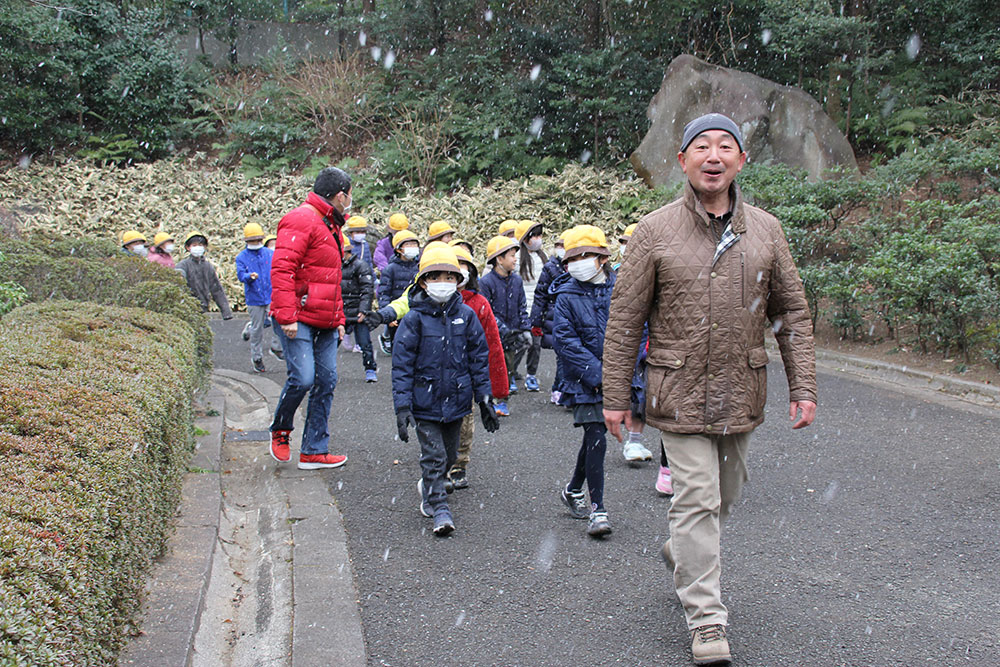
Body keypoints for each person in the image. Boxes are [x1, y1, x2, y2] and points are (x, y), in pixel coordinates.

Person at [601, 113, 817, 665]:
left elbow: (790, 310)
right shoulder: (654, 231)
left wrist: (803, 384)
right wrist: (615, 397)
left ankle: (682, 551)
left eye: (726, 146)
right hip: (675, 389)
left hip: (741, 388)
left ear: (742, 160)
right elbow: (626, 318)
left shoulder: (766, 230)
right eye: (701, 146)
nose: (713, 155)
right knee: (695, 497)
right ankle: (707, 620)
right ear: (683, 161)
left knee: (722, 497)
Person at [391, 244, 498, 536]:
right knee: (435, 456)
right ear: (424, 281)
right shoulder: (413, 320)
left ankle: (429, 484)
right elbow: (402, 365)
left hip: (458, 402)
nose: (444, 282)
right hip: (424, 403)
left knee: (450, 457)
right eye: (436, 276)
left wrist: (485, 397)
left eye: (450, 277)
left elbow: (478, 358)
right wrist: (402, 407)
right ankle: (440, 507)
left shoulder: (467, 315)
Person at [268, 166, 353, 471]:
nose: (350, 201)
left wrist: (340, 317)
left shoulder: (331, 224)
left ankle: (314, 450)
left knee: (326, 380)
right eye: (349, 195)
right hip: (299, 317)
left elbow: (332, 279)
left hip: (326, 320)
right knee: (303, 377)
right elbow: (281, 271)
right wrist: (287, 316)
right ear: (341, 194)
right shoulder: (301, 218)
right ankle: (281, 428)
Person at [552, 225, 615, 538]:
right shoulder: (565, 296)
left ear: (602, 257)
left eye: (586, 255)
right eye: (573, 257)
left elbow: (634, 327)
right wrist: (597, 374)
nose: (579, 262)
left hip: (615, 376)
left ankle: (573, 489)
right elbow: (565, 340)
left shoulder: (621, 288)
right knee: (597, 438)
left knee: (594, 438)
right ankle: (598, 508)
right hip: (583, 381)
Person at [478, 235, 528, 417]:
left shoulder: (517, 281)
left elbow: (522, 306)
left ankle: (503, 401)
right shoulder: (486, 282)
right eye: (511, 255)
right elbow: (487, 310)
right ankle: (487, 399)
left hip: (512, 333)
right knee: (490, 366)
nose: (515, 259)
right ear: (499, 259)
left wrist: (526, 328)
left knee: (507, 366)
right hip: (493, 334)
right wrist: (503, 330)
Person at [236, 222, 281, 373]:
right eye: (252, 241)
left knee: (278, 322)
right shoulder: (242, 257)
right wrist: (249, 276)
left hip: (270, 294)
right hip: (254, 297)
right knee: (258, 329)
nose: (255, 243)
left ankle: (276, 346)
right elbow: (241, 275)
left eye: (258, 240)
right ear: (247, 242)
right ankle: (257, 357)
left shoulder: (269, 254)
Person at [531, 230, 569, 404]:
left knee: (568, 355)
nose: (560, 249)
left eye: (564, 245)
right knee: (562, 354)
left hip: (570, 317)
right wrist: (536, 321)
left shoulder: (576, 267)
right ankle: (559, 389)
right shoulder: (551, 267)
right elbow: (541, 295)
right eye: (558, 245)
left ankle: (565, 389)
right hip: (556, 316)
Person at [340, 231, 378, 382]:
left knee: (364, 343)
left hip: (357, 310)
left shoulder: (360, 266)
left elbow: (367, 290)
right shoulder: (334, 265)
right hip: (341, 310)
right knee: (330, 343)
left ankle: (370, 369)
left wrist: (364, 310)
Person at [513, 219, 546, 393]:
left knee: (536, 344)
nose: (538, 239)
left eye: (540, 235)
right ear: (525, 238)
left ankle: (531, 375)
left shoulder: (542, 255)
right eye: (534, 235)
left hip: (538, 308)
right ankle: (511, 373)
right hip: (523, 308)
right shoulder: (517, 258)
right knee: (521, 343)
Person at [377, 229, 421, 354]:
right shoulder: (390, 269)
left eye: (414, 244)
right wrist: (388, 316)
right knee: (399, 347)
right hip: (397, 315)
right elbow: (383, 293)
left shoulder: (420, 267)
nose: (412, 247)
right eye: (408, 244)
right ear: (398, 249)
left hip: (415, 313)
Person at [176, 231, 233, 319]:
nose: (197, 248)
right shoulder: (184, 264)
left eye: (200, 245)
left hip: (203, 307)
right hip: (187, 308)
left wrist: (226, 311)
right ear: (188, 248)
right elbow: (179, 274)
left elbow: (216, 289)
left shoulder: (207, 266)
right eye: (194, 245)